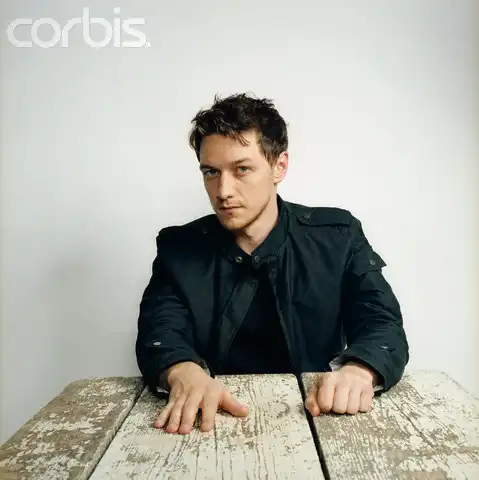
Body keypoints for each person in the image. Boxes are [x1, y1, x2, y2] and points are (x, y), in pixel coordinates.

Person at [135, 93, 409, 435]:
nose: (223, 190)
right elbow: (160, 330)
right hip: (212, 425)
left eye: (242, 169)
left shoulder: (337, 237)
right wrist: (182, 371)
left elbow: (381, 322)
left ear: (279, 166)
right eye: (211, 172)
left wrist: (359, 370)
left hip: (320, 419)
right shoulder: (179, 248)